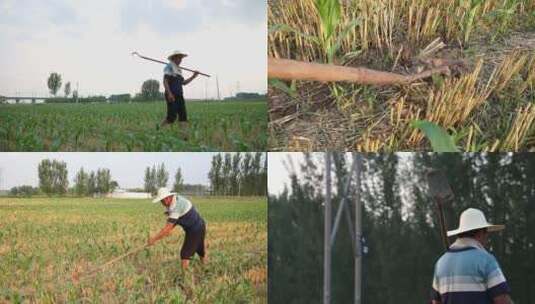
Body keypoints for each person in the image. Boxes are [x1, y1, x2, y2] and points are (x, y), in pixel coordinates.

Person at [431, 208, 513, 304]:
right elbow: (502, 300)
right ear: (480, 233)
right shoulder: (486, 260)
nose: (487, 237)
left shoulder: (440, 263)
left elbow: (436, 302)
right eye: (486, 232)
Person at [147, 187, 206, 269]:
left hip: (195, 229)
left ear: (167, 198)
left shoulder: (176, 207)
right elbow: (176, 216)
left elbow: (167, 229)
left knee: (185, 254)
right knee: (200, 249)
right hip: (199, 224)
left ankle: (184, 277)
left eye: (161, 201)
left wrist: (154, 239)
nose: (162, 203)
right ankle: (205, 267)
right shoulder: (176, 200)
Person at [161, 50, 200, 131]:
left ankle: (184, 136)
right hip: (172, 94)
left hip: (179, 95)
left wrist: (193, 76)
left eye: (181, 58)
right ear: (174, 58)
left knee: (183, 116)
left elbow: (183, 83)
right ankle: (159, 129)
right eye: (179, 58)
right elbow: (165, 81)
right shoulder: (169, 66)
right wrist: (169, 94)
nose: (180, 60)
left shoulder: (179, 70)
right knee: (171, 117)